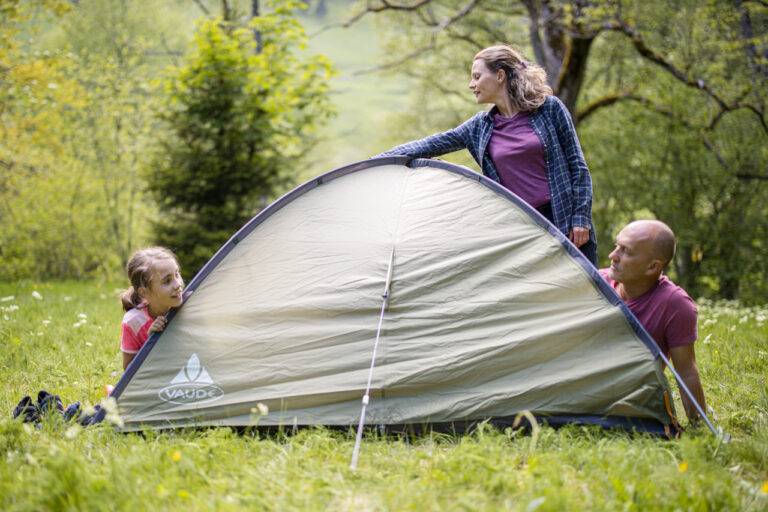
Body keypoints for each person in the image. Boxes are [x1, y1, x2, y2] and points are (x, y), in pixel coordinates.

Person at [377, 44, 597, 265]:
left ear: (500, 75)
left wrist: (580, 218)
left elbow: (577, 166)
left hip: (566, 223)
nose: (471, 84)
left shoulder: (549, 109)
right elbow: (427, 145)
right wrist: (375, 162)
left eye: (477, 76)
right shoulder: (479, 127)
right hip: (522, 231)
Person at [600, 220, 706, 424]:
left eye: (626, 251)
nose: (613, 256)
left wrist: (699, 426)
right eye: (616, 246)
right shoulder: (597, 282)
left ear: (652, 267)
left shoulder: (675, 305)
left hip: (629, 397)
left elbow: (686, 371)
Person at [119, 247, 184, 370]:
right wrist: (152, 341)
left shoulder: (190, 306)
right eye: (167, 281)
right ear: (144, 293)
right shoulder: (133, 322)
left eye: (177, 274)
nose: (178, 284)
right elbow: (128, 370)